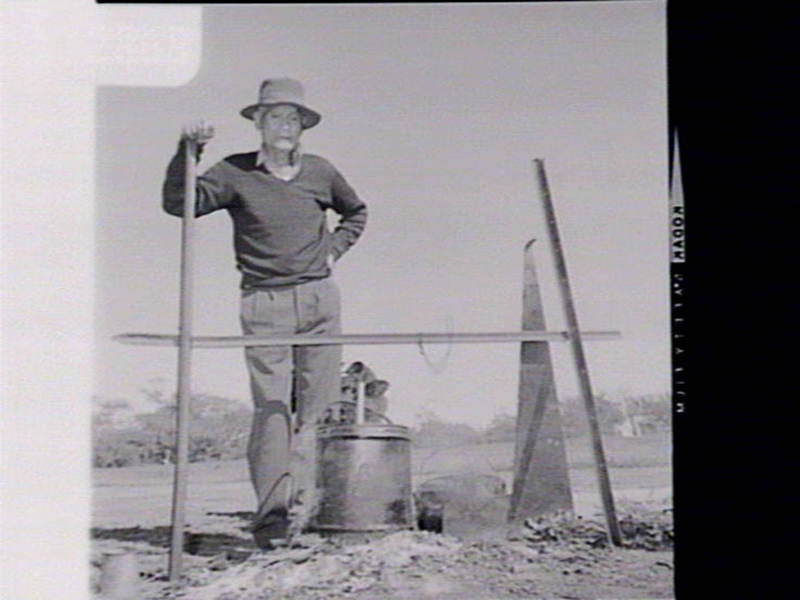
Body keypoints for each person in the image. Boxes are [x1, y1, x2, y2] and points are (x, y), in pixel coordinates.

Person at [162, 78, 367, 548]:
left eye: (293, 117)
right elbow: (181, 204)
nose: (284, 125)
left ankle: (317, 514)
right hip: (264, 302)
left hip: (320, 298)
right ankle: (273, 522)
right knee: (274, 409)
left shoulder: (321, 171)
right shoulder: (234, 172)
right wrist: (185, 152)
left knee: (320, 409)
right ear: (257, 122)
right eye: (274, 116)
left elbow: (356, 212)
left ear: (303, 126)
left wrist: (333, 250)